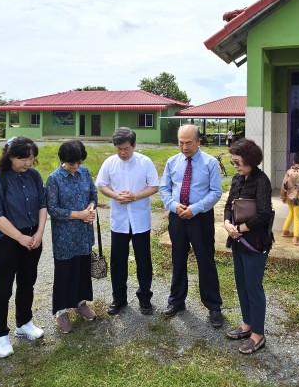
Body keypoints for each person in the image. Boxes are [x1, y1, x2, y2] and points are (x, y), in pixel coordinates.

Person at [0, 137, 47, 358]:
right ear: (10, 156)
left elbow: (42, 205)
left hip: (33, 238)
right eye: (24, 158)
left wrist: (38, 233)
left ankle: (24, 323)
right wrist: (20, 237)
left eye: (32, 158)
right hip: (8, 240)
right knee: (3, 288)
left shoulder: (34, 176)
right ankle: (1, 335)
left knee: (27, 282)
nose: (29, 163)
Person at [159, 124, 224, 327]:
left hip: (200, 217)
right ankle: (177, 301)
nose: (184, 147)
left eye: (188, 143)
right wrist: (173, 205)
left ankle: (213, 306)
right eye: (181, 143)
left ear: (198, 141)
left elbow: (215, 192)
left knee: (205, 260)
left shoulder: (210, 163)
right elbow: (164, 188)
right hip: (177, 216)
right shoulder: (172, 162)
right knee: (178, 258)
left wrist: (194, 209)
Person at [95, 127, 159, 316]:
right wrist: (115, 195)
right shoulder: (110, 163)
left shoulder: (144, 162)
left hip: (140, 220)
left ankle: (145, 297)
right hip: (119, 221)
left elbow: (154, 186)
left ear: (134, 145)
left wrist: (134, 196)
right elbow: (101, 185)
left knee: (143, 261)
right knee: (118, 262)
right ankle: (119, 298)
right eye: (119, 149)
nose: (122, 153)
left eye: (126, 148)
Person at [222, 138, 273, 355]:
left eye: (238, 162)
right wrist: (226, 224)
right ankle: (247, 325)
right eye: (233, 162)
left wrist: (239, 228)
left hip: (255, 242)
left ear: (250, 160)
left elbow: (263, 214)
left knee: (253, 286)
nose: (235, 166)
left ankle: (258, 335)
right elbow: (228, 205)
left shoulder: (262, 181)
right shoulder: (237, 178)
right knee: (241, 284)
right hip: (236, 239)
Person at [46, 140, 99, 333]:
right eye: (71, 163)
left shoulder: (84, 173)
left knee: (81, 268)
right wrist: (79, 214)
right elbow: (53, 209)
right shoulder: (54, 179)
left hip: (83, 233)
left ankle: (80, 303)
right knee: (64, 272)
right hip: (64, 236)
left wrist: (91, 207)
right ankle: (61, 311)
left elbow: (93, 195)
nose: (75, 166)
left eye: (78, 162)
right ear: (63, 160)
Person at [279, 152, 299, 245]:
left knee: (290, 214)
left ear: (293, 161)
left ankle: (285, 231)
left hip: (289, 197)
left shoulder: (288, 172)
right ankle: (296, 237)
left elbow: (283, 185)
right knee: (297, 217)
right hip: (298, 198)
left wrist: (283, 196)